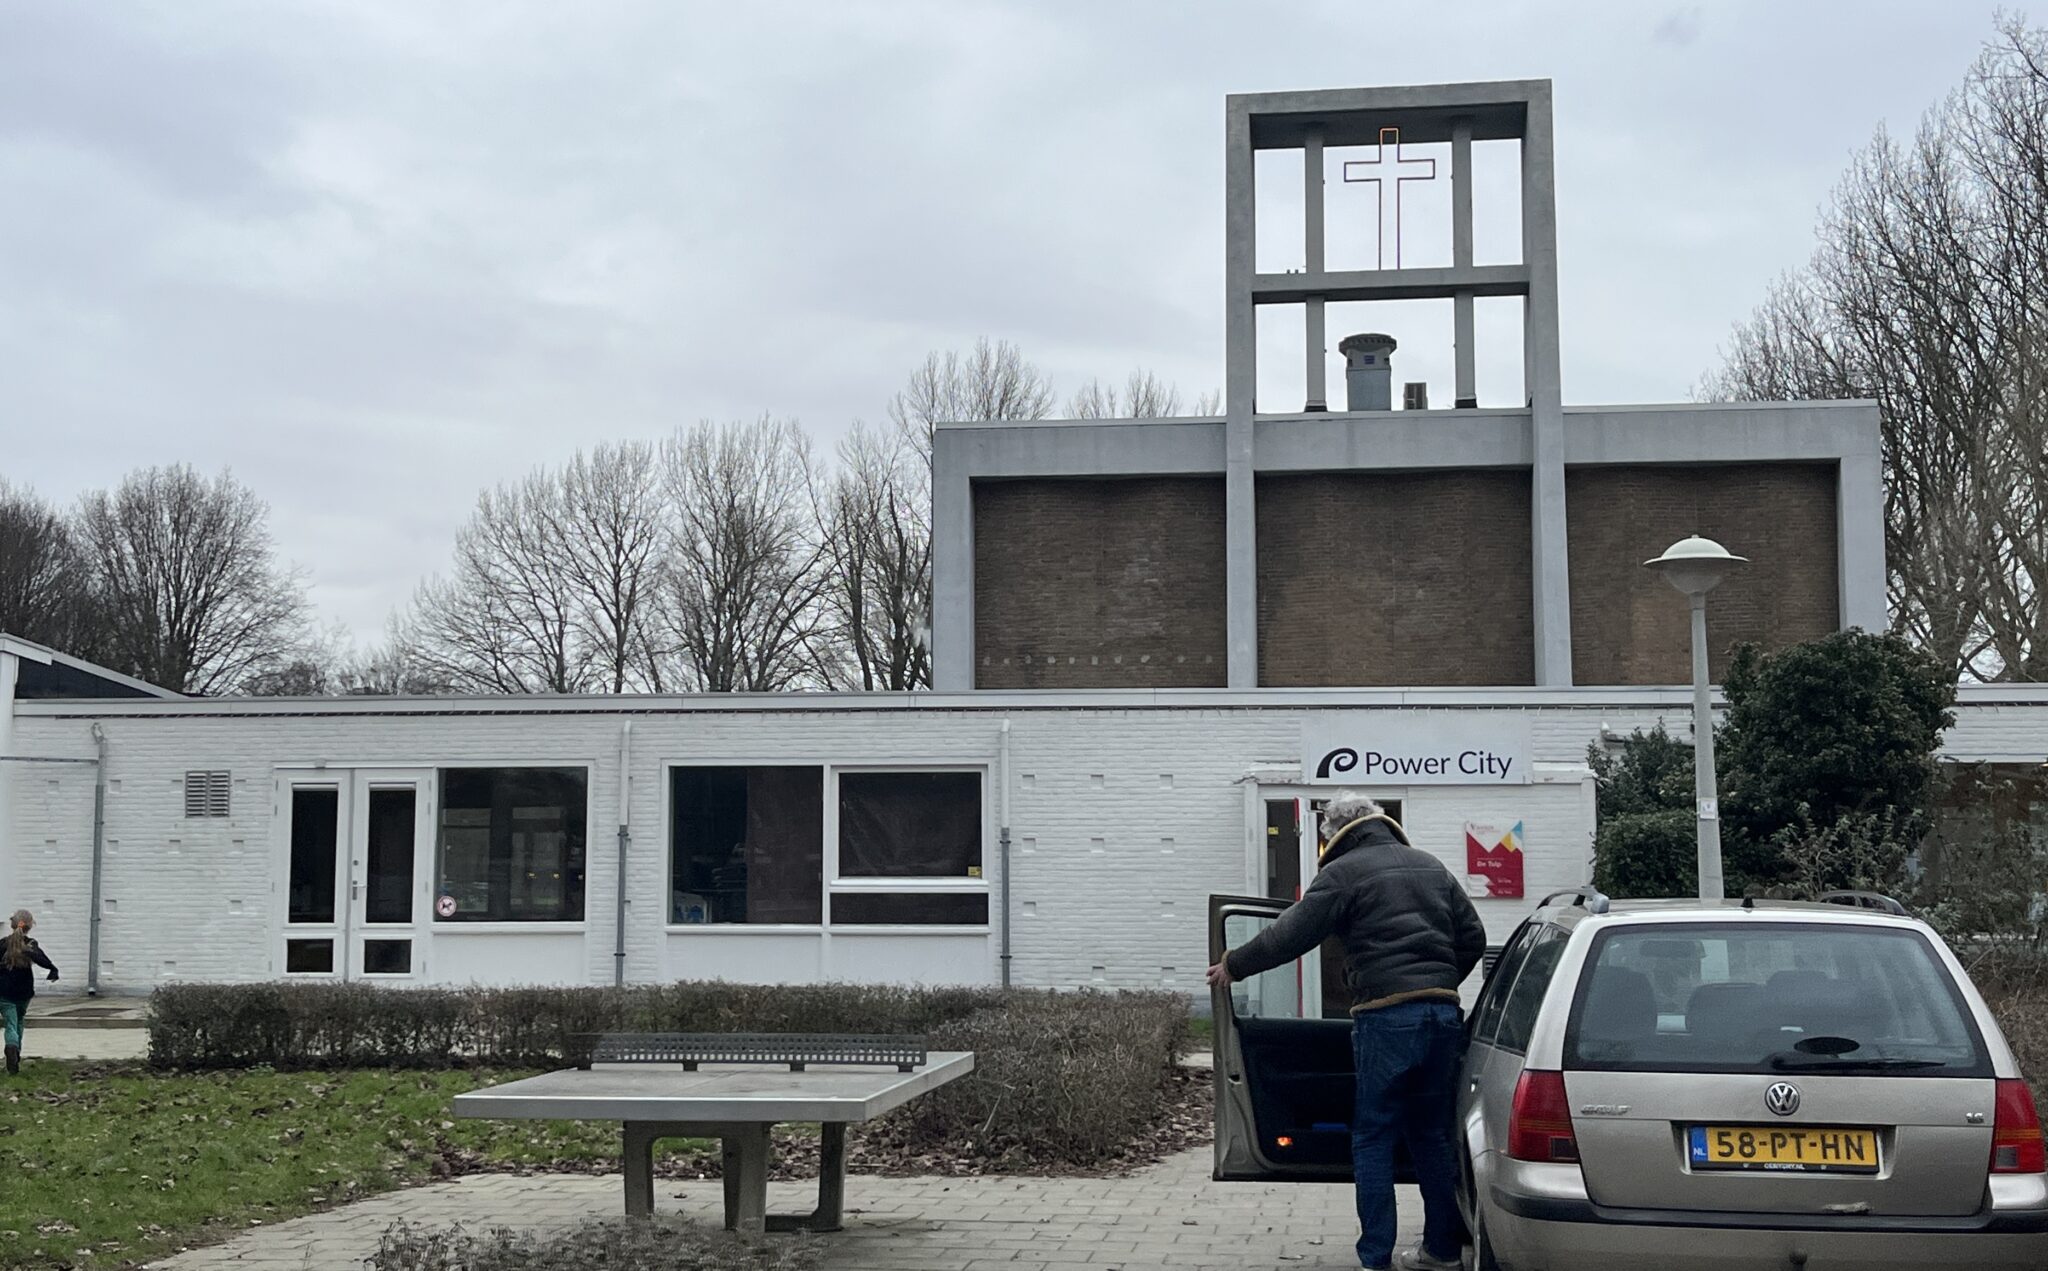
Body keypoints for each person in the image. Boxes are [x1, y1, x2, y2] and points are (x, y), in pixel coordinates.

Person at [1207, 793, 1485, 1271]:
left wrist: (1235, 964)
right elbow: (1473, 937)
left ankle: (1375, 1257)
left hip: (1385, 1017)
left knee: (1373, 1136)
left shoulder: (1344, 872)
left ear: (1335, 832)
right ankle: (1441, 1252)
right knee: (1430, 1135)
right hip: (1442, 1016)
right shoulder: (1431, 866)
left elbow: (1290, 933)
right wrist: (1436, 986)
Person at [2, 909, 60, 1076]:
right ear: (30, 926)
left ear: (13, 924)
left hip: (3, 991)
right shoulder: (31, 945)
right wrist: (53, 970)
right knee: (19, 1021)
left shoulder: (2, 944)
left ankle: (11, 1046)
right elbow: (42, 959)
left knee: (10, 1023)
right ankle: (16, 1053)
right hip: (24, 991)